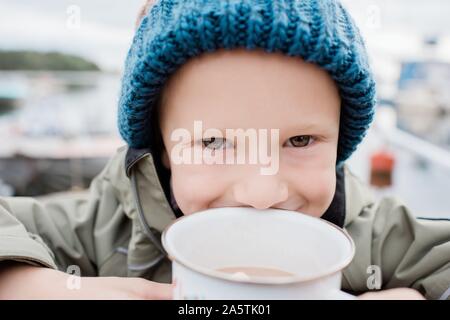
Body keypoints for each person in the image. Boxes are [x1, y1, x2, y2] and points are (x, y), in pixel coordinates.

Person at [0, 0, 448, 300]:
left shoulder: (376, 240)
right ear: (163, 150)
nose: (261, 191)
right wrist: (29, 283)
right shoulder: (103, 228)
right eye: (213, 141)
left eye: (299, 141)